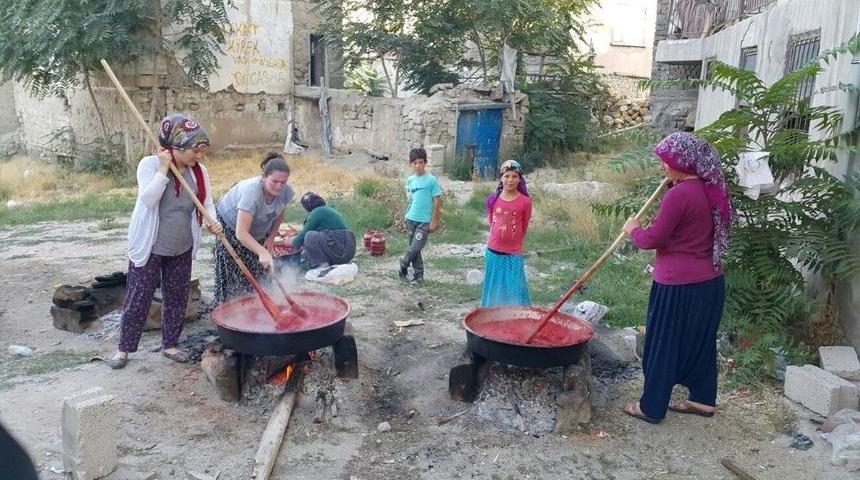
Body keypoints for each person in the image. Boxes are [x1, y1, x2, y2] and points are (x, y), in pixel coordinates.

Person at [621, 132, 733, 424]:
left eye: (667, 161)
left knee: (662, 343)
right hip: (711, 283)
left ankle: (651, 407)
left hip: (677, 286)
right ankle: (703, 400)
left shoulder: (678, 194)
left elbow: (653, 239)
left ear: (684, 162)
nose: (663, 167)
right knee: (700, 341)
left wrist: (634, 229)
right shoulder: (712, 189)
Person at [110, 114, 222, 369]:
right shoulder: (148, 165)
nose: (199, 156)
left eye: (202, 150)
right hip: (151, 246)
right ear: (177, 148)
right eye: (195, 150)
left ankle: (170, 345)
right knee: (139, 296)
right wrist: (163, 170)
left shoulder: (199, 171)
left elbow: (206, 203)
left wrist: (213, 222)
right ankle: (124, 349)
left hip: (181, 245)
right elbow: (148, 200)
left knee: (177, 297)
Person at [214, 152, 294, 304]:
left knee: (262, 269)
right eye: (275, 181)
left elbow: (279, 213)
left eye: (283, 182)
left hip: (259, 226)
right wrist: (262, 251)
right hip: (231, 227)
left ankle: (260, 305)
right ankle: (233, 309)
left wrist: (271, 238)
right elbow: (241, 233)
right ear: (264, 177)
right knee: (237, 270)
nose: (279, 186)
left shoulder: (285, 191)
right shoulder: (251, 193)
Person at [481, 160, 532, 307]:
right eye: (507, 176)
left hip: (513, 252)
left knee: (514, 288)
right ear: (501, 178)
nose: (510, 180)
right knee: (494, 286)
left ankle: (515, 318)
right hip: (493, 251)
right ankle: (492, 317)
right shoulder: (493, 200)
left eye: (514, 176)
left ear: (519, 179)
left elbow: (524, 226)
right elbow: (492, 223)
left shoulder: (525, 201)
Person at [398, 147, 442, 285]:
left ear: (425, 162)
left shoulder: (431, 180)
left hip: (424, 222)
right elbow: (411, 199)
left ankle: (403, 263)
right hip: (411, 219)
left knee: (415, 247)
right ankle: (418, 276)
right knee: (414, 249)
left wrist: (434, 220)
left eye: (421, 162)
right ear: (411, 164)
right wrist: (406, 215)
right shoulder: (410, 180)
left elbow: (437, 202)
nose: (418, 166)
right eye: (415, 163)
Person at [284, 192, 356, 271]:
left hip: (340, 249)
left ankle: (320, 265)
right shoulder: (326, 209)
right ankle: (328, 262)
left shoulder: (316, 213)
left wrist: (288, 241)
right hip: (348, 249)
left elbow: (301, 238)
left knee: (309, 236)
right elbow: (320, 230)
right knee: (310, 236)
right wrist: (298, 232)